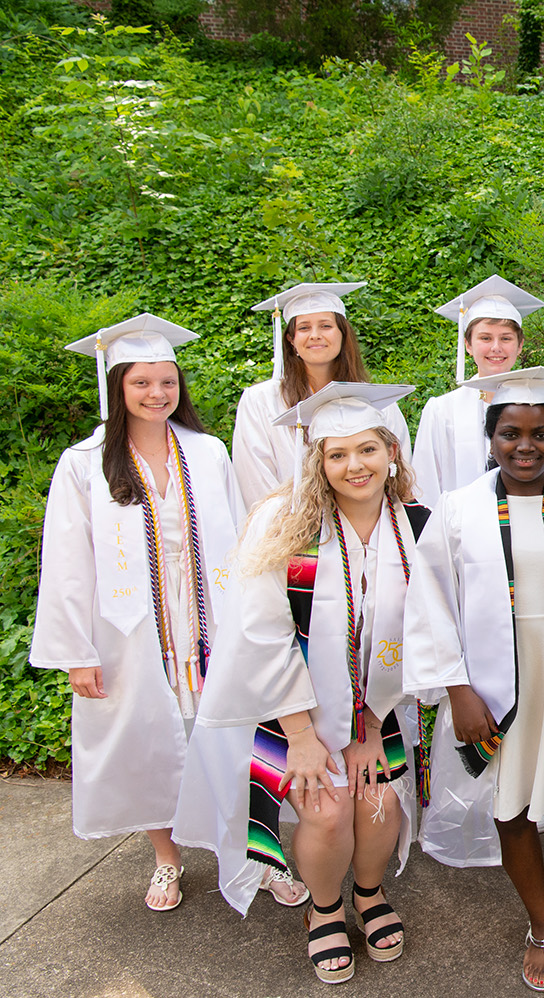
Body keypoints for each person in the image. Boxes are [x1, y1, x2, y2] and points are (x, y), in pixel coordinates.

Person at [179, 383, 424, 985]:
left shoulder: (414, 525)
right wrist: (303, 734)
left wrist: (369, 726)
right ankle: (325, 909)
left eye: (367, 449)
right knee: (327, 812)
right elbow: (262, 635)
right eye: (336, 454)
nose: (354, 466)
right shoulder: (284, 522)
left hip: (379, 706)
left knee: (378, 801)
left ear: (391, 450)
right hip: (292, 706)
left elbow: (425, 632)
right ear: (316, 461)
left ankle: (367, 894)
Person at [404, 368, 544, 991]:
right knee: (512, 810)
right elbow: (433, 604)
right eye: (510, 433)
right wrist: (455, 688)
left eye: (539, 433)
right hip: (498, 686)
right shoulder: (455, 512)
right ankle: (543, 925)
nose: (524, 445)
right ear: (491, 437)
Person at [32, 314, 259, 912]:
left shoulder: (208, 453)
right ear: (117, 386)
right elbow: (67, 564)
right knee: (151, 744)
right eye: (142, 383)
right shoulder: (83, 464)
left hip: (210, 622)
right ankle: (166, 857)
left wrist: (253, 623)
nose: (158, 394)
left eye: (167, 381)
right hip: (130, 634)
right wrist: (76, 654)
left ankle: (254, 856)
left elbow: (239, 538)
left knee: (233, 739)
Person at [234, 282, 410, 508]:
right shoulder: (260, 401)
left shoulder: (377, 401)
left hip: (370, 529)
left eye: (326, 326)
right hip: (293, 530)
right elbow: (255, 481)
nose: (315, 335)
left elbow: (398, 470)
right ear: (291, 340)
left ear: (342, 334)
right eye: (304, 328)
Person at [412, 275, 544, 503]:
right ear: (468, 344)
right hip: (460, 531)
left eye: (506, 338)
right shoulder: (441, 410)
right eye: (485, 338)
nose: (496, 348)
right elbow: (425, 487)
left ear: (520, 344)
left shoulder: (543, 406)